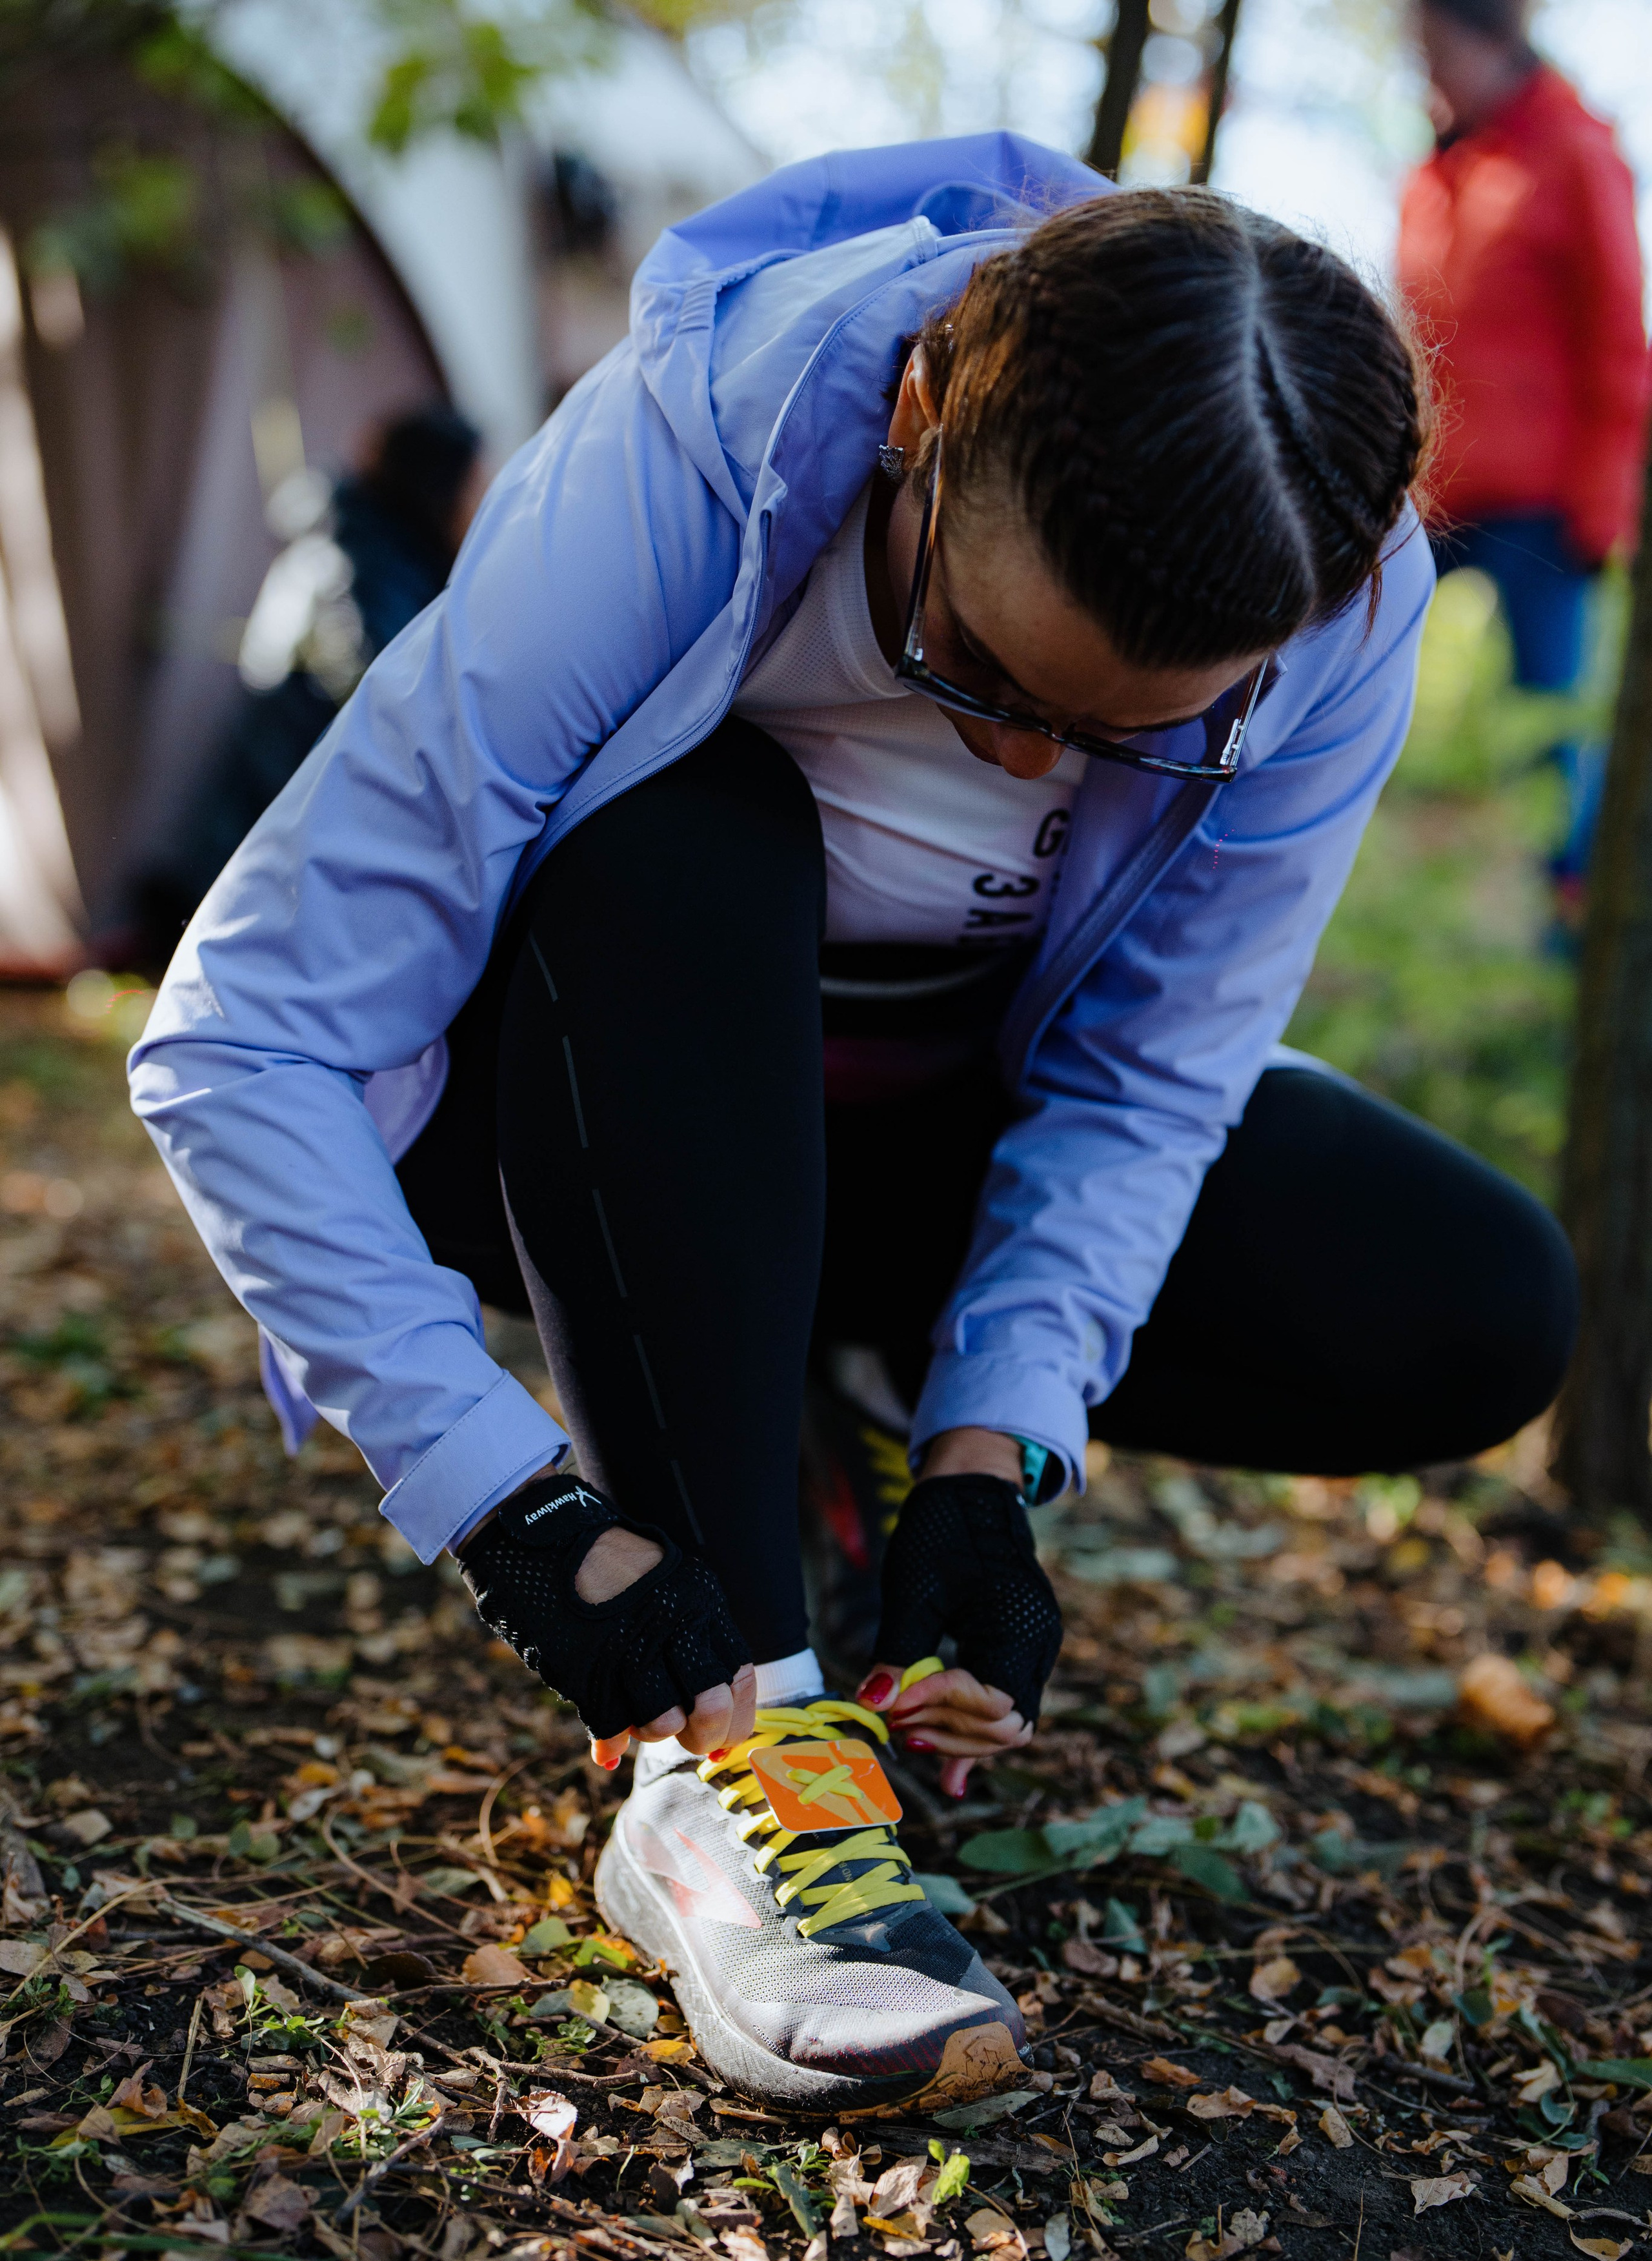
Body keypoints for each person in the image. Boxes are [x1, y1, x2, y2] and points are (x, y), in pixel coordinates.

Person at [130, 137, 1577, 2119]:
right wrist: (502, 1497)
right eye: (973, 666)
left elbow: (1151, 1074)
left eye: (1128, 733)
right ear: (915, 417)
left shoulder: (1330, 598)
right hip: (569, 1105)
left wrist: (995, 1451)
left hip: (915, 1145)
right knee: (679, 845)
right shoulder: (690, 444)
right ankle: (732, 1775)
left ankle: (875, 1385)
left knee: (1476, 1298)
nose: (1017, 760)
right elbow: (247, 1026)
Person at [1397, 0, 1647, 920]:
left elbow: (1620, 338)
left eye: (1435, 48)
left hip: (1546, 503)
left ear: (1490, 39)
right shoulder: (1434, 171)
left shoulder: (1576, 152)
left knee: (1551, 729)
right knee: (1338, 656)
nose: (1423, 70)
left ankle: (1566, 934)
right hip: (1434, 498)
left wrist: (1601, 507)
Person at [126, 406, 485, 973]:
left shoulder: (375, 545)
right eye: (474, 484)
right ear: (435, 483)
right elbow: (390, 693)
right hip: (277, 845)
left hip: (285, 838)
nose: (480, 505)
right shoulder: (358, 561)